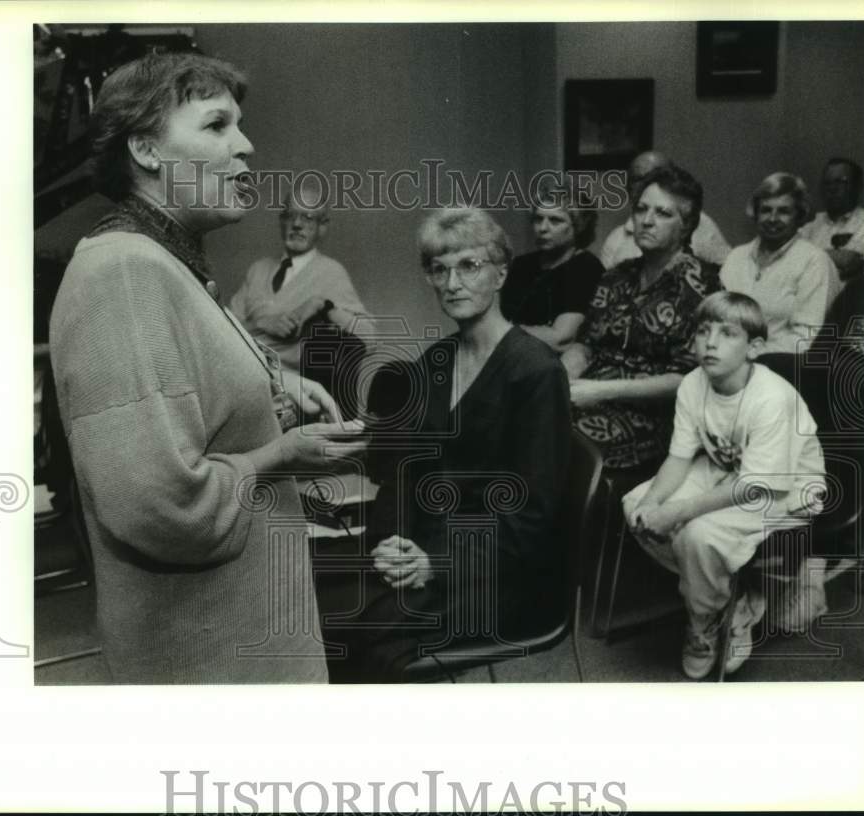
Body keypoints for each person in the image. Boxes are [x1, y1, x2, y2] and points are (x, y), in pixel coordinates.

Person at [49, 53, 367, 683]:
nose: (246, 146)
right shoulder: (123, 274)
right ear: (146, 150)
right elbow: (159, 506)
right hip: (210, 656)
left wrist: (279, 381)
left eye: (240, 125)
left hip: (237, 631)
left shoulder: (165, 261)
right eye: (217, 125)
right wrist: (280, 456)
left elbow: (193, 377)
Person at [325, 208, 572, 682]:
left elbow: (534, 515)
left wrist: (436, 563)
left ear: (501, 273)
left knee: (352, 630)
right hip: (423, 542)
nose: (452, 282)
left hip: (498, 572)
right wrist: (389, 541)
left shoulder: (536, 371)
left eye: (469, 266)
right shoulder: (435, 360)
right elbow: (405, 469)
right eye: (439, 269)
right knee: (315, 596)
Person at [622, 292, 825, 679]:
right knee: (636, 507)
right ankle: (730, 592)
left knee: (697, 534)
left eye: (727, 333)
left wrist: (677, 511)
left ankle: (705, 621)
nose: (710, 342)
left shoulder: (771, 399)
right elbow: (680, 458)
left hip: (786, 486)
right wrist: (654, 503)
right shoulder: (693, 384)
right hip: (726, 469)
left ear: (754, 348)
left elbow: (756, 485)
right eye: (702, 331)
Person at [562, 164, 723, 471]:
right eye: (641, 209)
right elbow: (584, 346)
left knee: (563, 442)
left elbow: (689, 379)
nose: (647, 221)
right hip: (588, 395)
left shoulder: (703, 287)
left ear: (687, 225)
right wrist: (559, 381)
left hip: (656, 418)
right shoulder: (616, 277)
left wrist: (600, 391)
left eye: (663, 214)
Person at [229, 187, 372, 374]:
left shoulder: (330, 272)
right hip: (242, 378)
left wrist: (324, 307)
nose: (297, 224)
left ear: (323, 226)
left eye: (308, 217)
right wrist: (262, 323)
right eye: (290, 215)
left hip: (292, 393)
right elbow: (223, 333)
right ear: (281, 221)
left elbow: (370, 337)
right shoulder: (258, 269)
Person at [720, 172, 839, 355]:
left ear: (800, 216)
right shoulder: (736, 257)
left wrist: (746, 355)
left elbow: (807, 339)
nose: (773, 219)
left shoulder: (815, 262)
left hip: (781, 370)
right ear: (756, 213)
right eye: (766, 210)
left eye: (784, 211)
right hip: (724, 364)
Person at [500, 184, 605, 352]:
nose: (543, 228)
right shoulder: (521, 265)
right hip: (507, 353)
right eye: (538, 219)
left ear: (578, 226)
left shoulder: (586, 268)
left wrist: (501, 331)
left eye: (555, 220)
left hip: (549, 363)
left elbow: (560, 339)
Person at [599, 151, 731, 269]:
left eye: (654, 177)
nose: (646, 185)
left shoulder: (700, 223)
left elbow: (727, 270)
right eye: (637, 179)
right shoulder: (615, 239)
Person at [799, 157, 864, 282]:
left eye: (840, 182)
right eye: (827, 183)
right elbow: (789, 258)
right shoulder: (811, 228)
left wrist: (808, 258)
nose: (832, 188)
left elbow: (855, 267)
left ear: (858, 187)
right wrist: (837, 257)